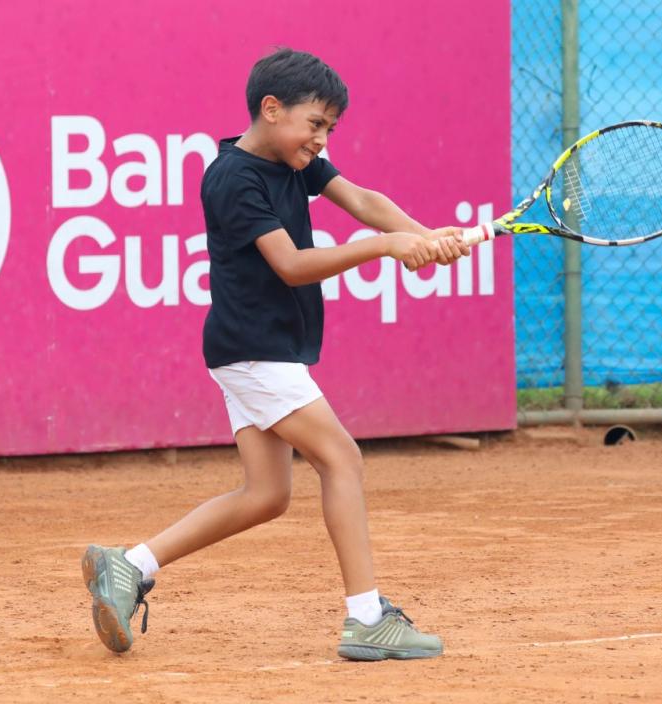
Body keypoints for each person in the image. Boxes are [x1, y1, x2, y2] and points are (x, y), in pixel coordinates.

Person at [81, 46, 469, 661]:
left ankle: (129, 564)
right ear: (271, 109)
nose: (321, 140)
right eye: (316, 125)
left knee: (266, 495)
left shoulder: (296, 160)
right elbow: (290, 265)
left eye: (329, 129)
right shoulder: (231, 177)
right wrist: (386, 248)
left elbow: (363, 200)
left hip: (254, 348)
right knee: (342, 458)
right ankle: (367, 618)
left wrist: (425, 236)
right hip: (255, 349)